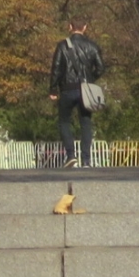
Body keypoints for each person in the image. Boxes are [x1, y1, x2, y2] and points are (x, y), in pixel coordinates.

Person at [45, 19, 104, 167]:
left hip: (67, 89)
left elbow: (56, 68)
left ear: (70, 27)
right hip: (85, 90)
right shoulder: (92, 46)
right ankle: (86, 160)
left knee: (64, 121)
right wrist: (90, 79)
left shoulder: (62, 46)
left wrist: (53, 88)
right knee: (86, 123)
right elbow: (100, 67)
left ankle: (71, 155)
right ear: (85, 27)